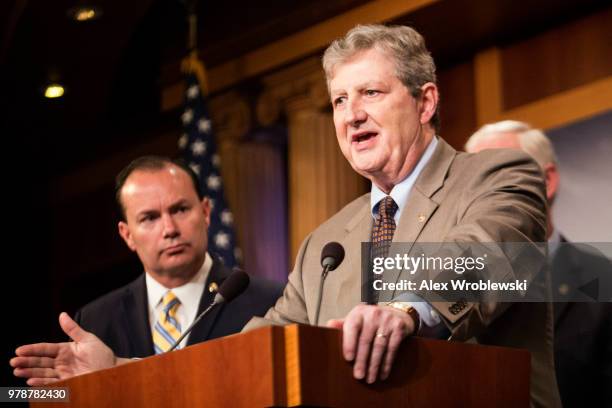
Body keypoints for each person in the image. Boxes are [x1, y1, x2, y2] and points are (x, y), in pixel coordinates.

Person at [241, 24, 559, 407]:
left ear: (425, 103)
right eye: (340, 100)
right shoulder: (325, 243)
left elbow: (486, 254)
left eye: (370, 93)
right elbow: (268, 343)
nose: (352, 115)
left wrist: (407, 308)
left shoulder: (499, 175)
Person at [11, 156, 283, 384]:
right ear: (127, 234)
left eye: (180, 209)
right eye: (150, 218)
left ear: (206, 212)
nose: (170, 229)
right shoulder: (95, 321)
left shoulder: (270, 301)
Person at [465, 120, 612, 408]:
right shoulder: (450, 291)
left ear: (547, 181)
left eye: (500, 179)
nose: (485, 200)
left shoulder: (605, 282)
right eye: (474, 184)